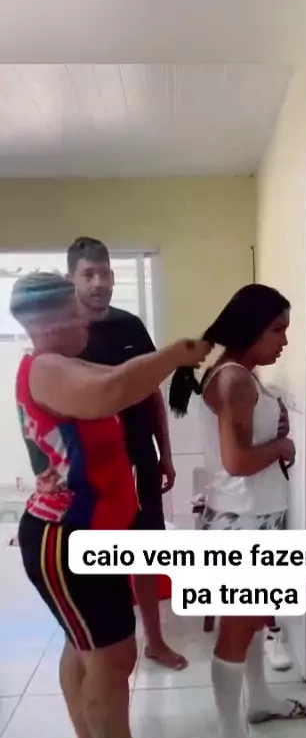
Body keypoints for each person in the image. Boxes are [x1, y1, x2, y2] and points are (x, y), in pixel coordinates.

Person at [11, 271, 210, 738]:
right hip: (66, 537)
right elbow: (110, 392)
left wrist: (167, 361)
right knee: (113, 658)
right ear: (50, 322)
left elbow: (116, 378)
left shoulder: (62, 363)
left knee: (88, 648)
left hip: (88, 533)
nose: (87, 320)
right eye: (75, 311)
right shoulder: (46, 368)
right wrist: (174, 355)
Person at [169, 283, 306, 738]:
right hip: (242, 523)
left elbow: (243, 446)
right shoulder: (233, 379)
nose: (284, 341)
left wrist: (274, 432)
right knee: (236, 629)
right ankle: (232, 737)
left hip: (254, 517)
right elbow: (237, 461)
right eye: (277, 330)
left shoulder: (241, 375)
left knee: (249, 621)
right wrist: (283, 446)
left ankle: (260, 701)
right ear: (252, 328)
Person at [67, 237, 185, 670]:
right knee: (96, 560)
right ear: (72, 278)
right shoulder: (66, 336)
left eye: (104, 273)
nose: (98, 282)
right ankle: (97, 646)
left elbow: (152, 394)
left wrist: (165, 453)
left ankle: (154, 640)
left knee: (147, 550)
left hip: (139, 460)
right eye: (88, 274)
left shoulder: (130, 326)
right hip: (89, 469)